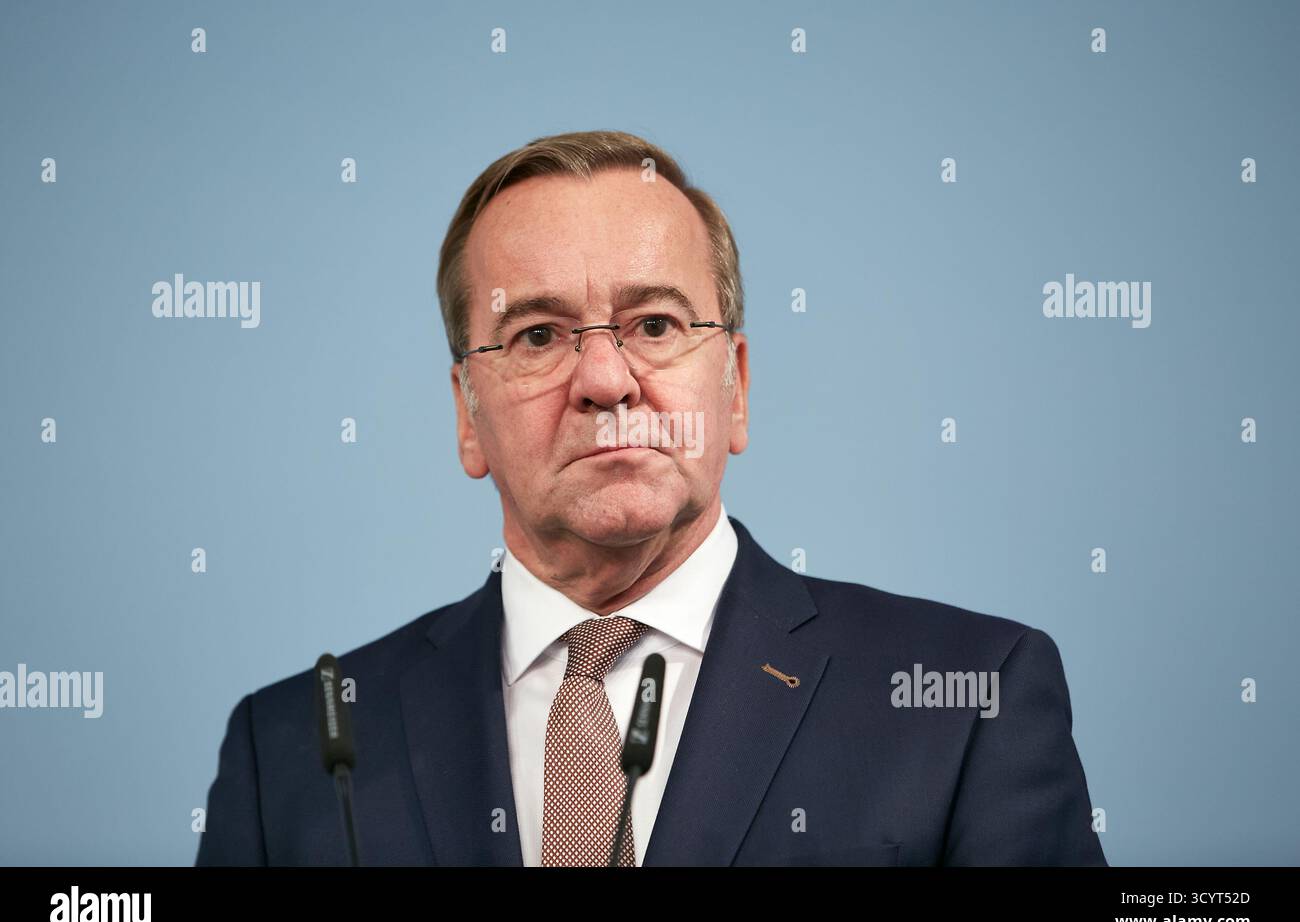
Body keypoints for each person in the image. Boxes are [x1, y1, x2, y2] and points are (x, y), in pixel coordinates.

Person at [196, 130, 1106, 866]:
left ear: (735, 387)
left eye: (656, 325)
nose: (605, 379)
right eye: (539, 334)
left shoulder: (965, 703)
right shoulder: (291, 755)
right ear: (467, 415)